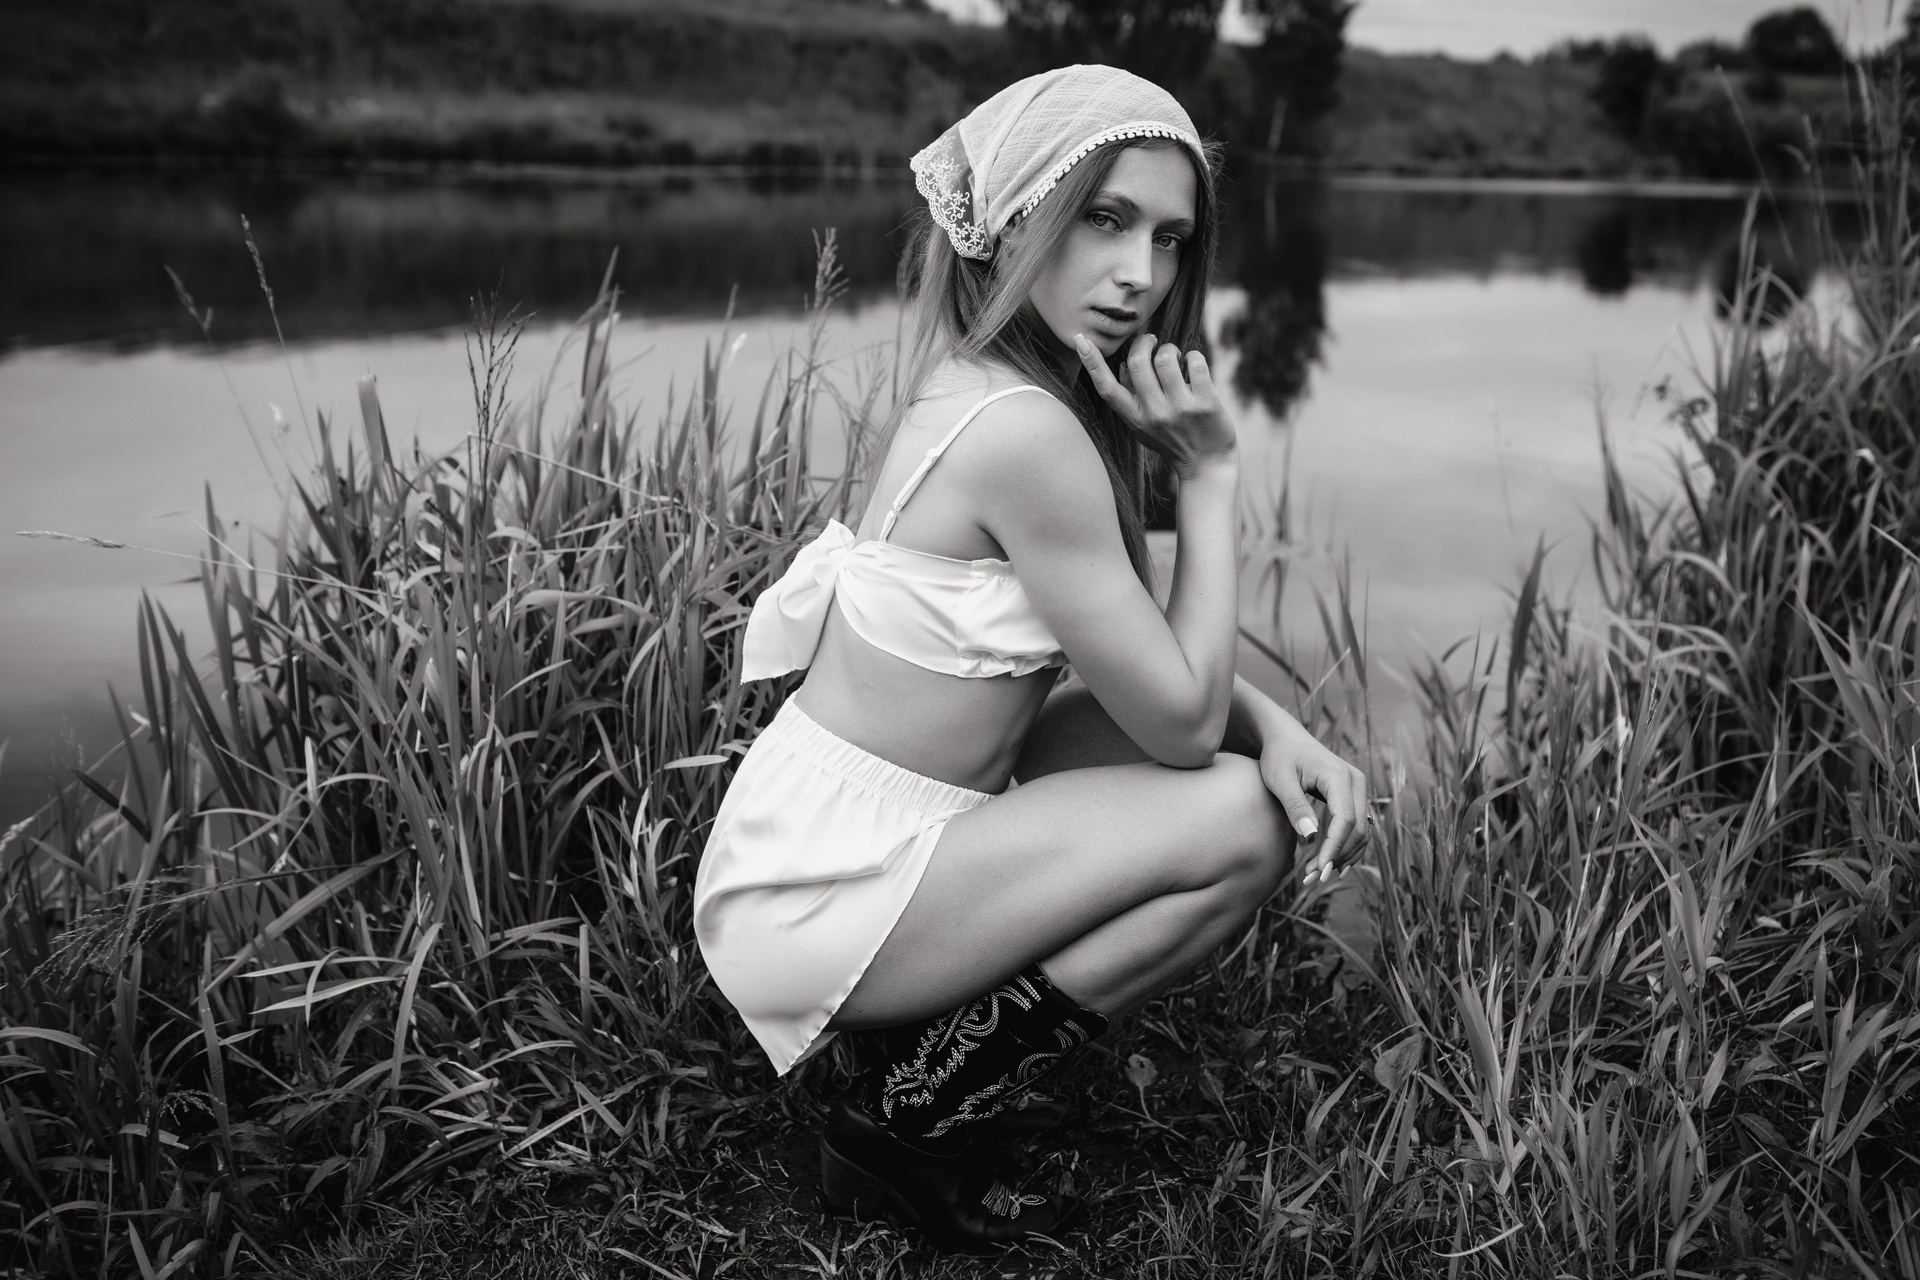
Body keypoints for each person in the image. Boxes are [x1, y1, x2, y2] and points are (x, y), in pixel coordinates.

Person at [692, 64, 1370, 1252]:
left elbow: (1146, 673)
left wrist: (1280, 725)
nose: (1141, 274)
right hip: (825, 888)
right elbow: (1180, 724)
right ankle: (911, 1112)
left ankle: (914, 1048)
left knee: (1217, 761)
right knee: (1245, 821)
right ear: (1015, 222)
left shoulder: (984, 381)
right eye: (1105, 219)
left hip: (835, 832)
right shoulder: (1026, 432)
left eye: (1168, 237)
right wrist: (1210, 476)